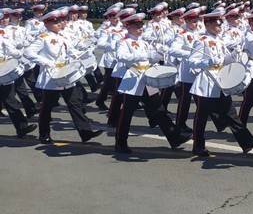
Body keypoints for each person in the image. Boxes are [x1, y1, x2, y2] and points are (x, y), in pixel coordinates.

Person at [187, 8, 253, 157]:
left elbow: (224, 60)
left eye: (221, 23)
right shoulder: (201, 41)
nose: (220, 26)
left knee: (231, 113)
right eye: (216, 24)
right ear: (208, 25)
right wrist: (208, 61)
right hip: (207, 83)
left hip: (221, 80)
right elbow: (192, 62)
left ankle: (247, 141)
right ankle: (198, 146)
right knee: (201, 116)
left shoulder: (220, 40)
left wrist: (234, 56)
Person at [113, 13, 191, 154]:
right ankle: (120, 142)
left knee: (158, 109)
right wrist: (145, 55)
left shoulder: (143, 42)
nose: (140, 28)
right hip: (133, 80)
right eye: (137, 26)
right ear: (128, 26)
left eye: (141, 25)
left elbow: (151, 59)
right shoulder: (123, 42)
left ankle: (174, 138)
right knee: (126, 113)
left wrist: (159, 54)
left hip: (147, 78)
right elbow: (121, 56)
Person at [24, 10, 104, 144]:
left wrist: (84, 54)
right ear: (47, 24)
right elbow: (28, 52)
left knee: (74, 104)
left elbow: (72, 52)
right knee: (47, 108)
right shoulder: (42, 38)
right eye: (55, 22)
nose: (58, 24)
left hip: (66, 74)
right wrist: (46, 62)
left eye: (59, 21)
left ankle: (85, 132)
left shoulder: (63, 36)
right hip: (51, 77)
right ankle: (44, 134)